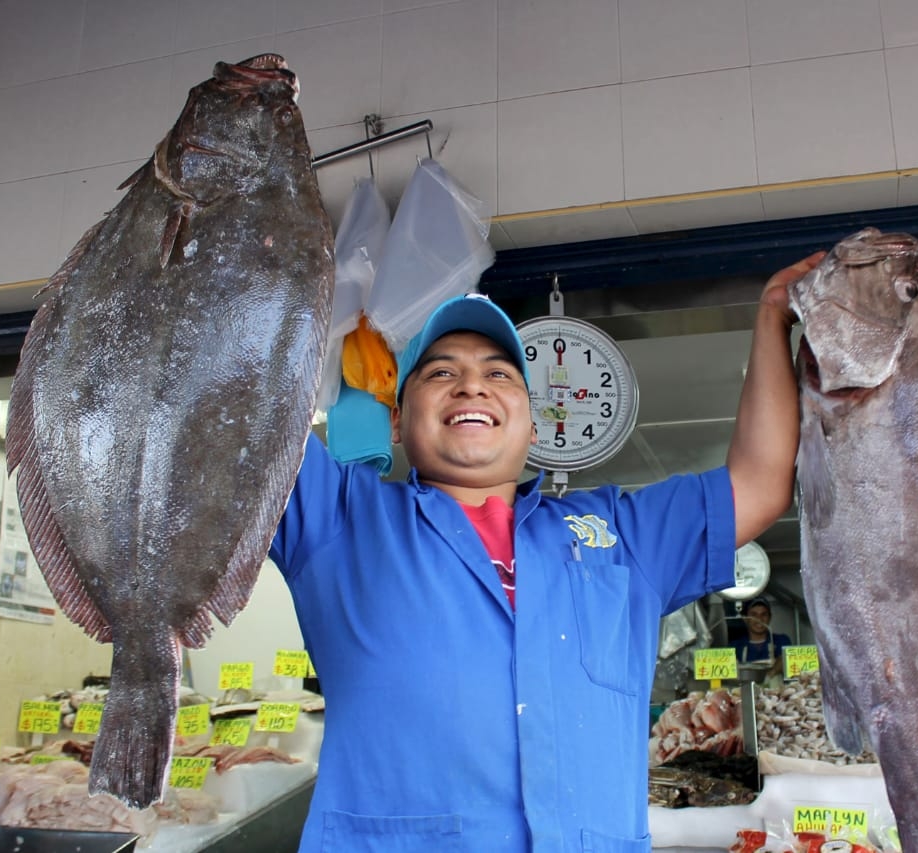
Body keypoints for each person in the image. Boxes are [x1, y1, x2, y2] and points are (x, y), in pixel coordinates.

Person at [268, 252, 823, 852]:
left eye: (500, 374)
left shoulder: (619, 533)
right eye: (440, 373)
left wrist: (772, 318)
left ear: (534, 427)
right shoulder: (336, 517)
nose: (472, 384)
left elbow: (758, 484)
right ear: (397, 420)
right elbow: (237, 399)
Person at [732, 597, 791, 678]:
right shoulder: (735, 646)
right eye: (754, 615)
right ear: (745, 619)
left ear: (770, 617)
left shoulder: (781, 641)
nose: (759, 619)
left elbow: (785, 659)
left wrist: (771, 673)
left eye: (764, 614)